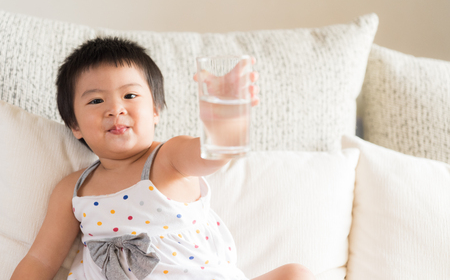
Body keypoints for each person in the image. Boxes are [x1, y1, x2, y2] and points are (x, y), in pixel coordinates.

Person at [11, 37, 315, 280]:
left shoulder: (168, 157)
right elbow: (40, 259)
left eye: (130, 96)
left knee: (296, 274)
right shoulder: (73, 189)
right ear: (74, 125)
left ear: (155, 110)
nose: (115, 109)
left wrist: (227, 109)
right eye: (96, 100)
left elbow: (218, 151)